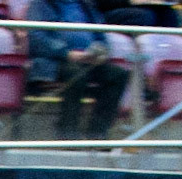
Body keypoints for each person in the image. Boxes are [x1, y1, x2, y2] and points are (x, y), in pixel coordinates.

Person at [27, 0, 131, 139]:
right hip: (55, 61)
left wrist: (100, 53)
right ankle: (67, 132)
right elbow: (37, 38)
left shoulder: (86, 4)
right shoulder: (42, 4)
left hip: (88, 60)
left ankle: (97, 133)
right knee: (76, 74)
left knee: (118, 75)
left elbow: (101, 35)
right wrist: (67, 53)